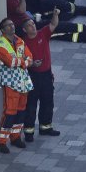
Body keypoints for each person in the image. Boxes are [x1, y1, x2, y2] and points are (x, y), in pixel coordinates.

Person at [0, 17, 33, 153]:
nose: (12, 26)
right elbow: (11, 62)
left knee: (21, 111)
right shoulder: (0, 46)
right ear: (3, 30)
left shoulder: (19, 41)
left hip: (22, 82)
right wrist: (23, 62)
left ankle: (15, 137)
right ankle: (1, 142)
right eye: (8, 25)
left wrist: (21, 61)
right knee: (10, 113)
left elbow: (30, 59)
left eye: (12, 24)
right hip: (10, 84)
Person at [21, 11, 61, 140]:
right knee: (31, 105)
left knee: (48, 102)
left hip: (46, 75)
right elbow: (21, 60)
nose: (32, 26)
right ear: (24, 30)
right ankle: (28, 132)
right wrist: (32, 64)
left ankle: (46, 127)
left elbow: (54, 24)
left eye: (33, 23)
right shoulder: (22, 43)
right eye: (29, 25)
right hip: (32, 76)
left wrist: (55, 14)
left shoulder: (43, 33)